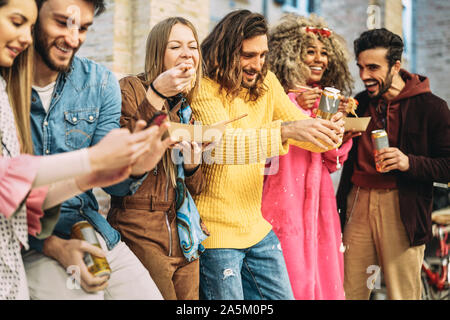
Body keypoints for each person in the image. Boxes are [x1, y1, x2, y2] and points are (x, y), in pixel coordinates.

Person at [0, 0, 170, 300]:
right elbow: (12, 186)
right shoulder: (8, 83)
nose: (74, 38)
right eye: (63, 23)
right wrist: (53, 246)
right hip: (27, 240)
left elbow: (112, 185)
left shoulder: (100, 82)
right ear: (34, 16)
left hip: (88, 225)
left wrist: (136, 166)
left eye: (84, 28)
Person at [191, 9, 345, 300]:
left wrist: (330, 131)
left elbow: (304, 131)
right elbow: (223, 146)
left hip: (257, 229)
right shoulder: (204, 89)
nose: (257, 65)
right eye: (248, 55)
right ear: (224, 50)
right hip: (215, 235)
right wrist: (286, 131)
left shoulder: (266, 82)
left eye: (262, 55)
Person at [336, 28, 450, 300]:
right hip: (357, 202)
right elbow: (339, 155)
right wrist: (338, 132)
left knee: (402, 295)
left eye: (373, 67)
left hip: (403, 207)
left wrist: (408, 162)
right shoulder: (359, 103)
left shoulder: (432, 107)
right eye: (361, 67)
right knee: (349, 292)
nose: (364, 76)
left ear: (396, 66)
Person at [107, 17, 208, 300]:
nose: (187, 53)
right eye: (175, 46)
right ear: (157, 54)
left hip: (183, 232)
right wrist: (155, 98)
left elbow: (195, 188)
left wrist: (192, 164)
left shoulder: (187, 108)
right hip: (139, 224)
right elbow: (124, 153)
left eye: (193, 46)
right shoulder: (131, 88)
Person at [262, 14, 357, 300]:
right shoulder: (270, 92)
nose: (320, 59)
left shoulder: (323, 98)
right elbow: (260, 138)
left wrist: (344, 136)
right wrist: (293, 103)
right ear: (289, 55)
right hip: (281, 195)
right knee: (288, 273)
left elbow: (330, 161)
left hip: (318, 200)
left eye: (325, 53)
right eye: (310, 52)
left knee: (322, 269)